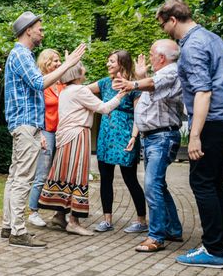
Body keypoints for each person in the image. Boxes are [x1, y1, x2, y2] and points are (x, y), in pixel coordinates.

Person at [157, 0, 223, 269]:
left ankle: (214, 249)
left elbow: (203, 91)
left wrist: (194, 135)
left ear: (173, 19)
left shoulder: (193, 45)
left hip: (214, 119)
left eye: (163, 25)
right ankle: (222, 245)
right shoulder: (211, 37)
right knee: (215, 181)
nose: (163, 31)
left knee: (202, 181)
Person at [1, 11, 86, 248]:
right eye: (40, 28)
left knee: (15, 176)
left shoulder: (23, 55)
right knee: (23, 179)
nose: (42, 32)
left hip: (27, 125)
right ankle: (18, 231)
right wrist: (68, 65)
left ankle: (8, 226)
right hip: (25, 124)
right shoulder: (20, 54)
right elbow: (39, 83)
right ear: (28, 30)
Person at [39, 62, 129, 236]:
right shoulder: (80, 91)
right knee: (78, 174)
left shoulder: (65, 91)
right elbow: (104, 108)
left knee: (66, 174)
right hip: (77, 135)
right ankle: (73, 221)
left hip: (64, 135)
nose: (84, 69)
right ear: (77, 74)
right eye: (82, 68)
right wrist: (121, 95)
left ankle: (59, 215)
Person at [113, 40, 184, 253]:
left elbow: (153, 84)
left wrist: (133, 84)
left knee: (152, 184)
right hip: (153, 137)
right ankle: (172, 229)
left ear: (161, 57)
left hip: (162, 137)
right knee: (159, 185)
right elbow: (154, 89)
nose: (150, 57)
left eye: (152, 54)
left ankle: (156, 237)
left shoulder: (171, 71)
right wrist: (141, 77)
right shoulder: (159, 76)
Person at [87, 50, 147, 233]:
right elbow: (80, 91)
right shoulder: (104, 83)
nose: (108, 64)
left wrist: (134, 137)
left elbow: (139, 114)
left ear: (122, 63)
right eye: (108, 61)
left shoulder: (133, 87)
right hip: (105, 136)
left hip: (125, 136)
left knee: (130, 179)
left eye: (112, 61)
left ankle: (142, 221)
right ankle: (107, 220)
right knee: (106, 178)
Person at [27, 49, 66, 229]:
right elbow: (37, 110)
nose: (58, 64)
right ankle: (33, 211)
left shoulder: (62, 84)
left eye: (59, 61)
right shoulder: (41, 84)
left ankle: (59, 213)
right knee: (42, 172)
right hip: (47, 132)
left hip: (62, 133)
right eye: (55, 61)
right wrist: (40, 133)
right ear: (46, 63)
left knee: (59, 173)